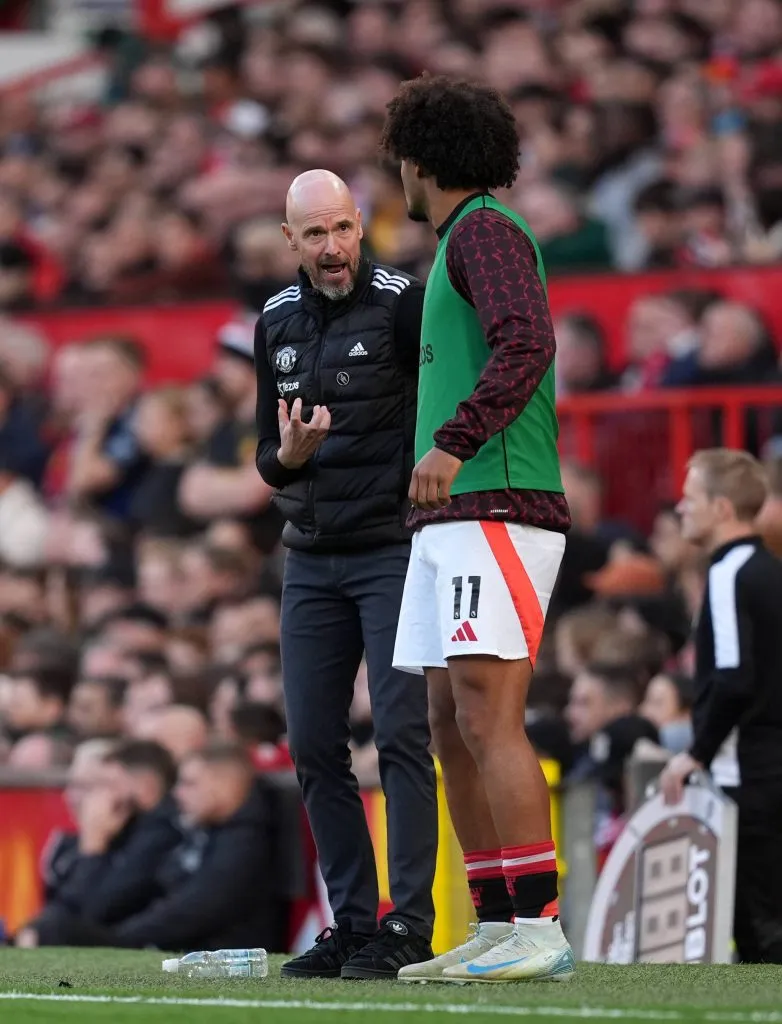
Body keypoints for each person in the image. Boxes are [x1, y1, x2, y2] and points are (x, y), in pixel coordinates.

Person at [380, 75, 574, 984]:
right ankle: (497, 921)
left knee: (488, 716)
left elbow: (527, 340)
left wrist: (455, 443)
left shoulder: (486, 230)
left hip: (497, 497)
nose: (398, 181)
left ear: (419, 162)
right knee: (447, 722)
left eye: (398, 166)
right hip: (451, 515)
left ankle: (537, 928)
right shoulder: (462, 239)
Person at [254, 169, 437, 979]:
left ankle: (411, 925)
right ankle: (353, 925)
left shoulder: (404, 301)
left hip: (392, 551)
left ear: (363, 226)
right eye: (315, 235)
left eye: (343, 229)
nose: (332, 248)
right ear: (289, 240)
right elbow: (268, 455)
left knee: (400, 735)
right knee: (315, 747)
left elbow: (441, 408)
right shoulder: (275, 322)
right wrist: (287, 459)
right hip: (311, 561)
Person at [661, 448, 782, 964]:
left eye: (690, 500)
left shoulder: (729, 573)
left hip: (747, 772)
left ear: (722, 508)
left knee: (759, 931)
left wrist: (696, 753)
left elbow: (733, 678)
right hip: (770, 764)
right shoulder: (771, 571)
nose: (679, 509)